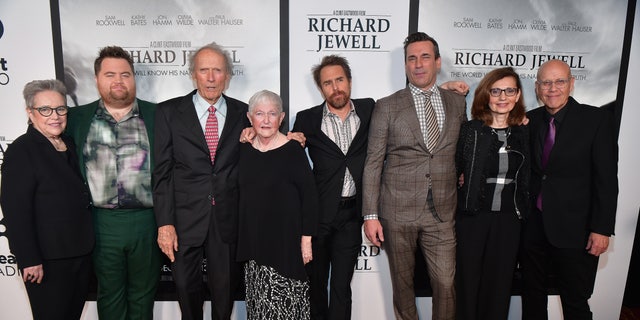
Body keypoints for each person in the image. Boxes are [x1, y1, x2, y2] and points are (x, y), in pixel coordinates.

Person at [362, 32, 467, 320]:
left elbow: (465, 149)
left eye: (424, 57)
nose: (418, 64)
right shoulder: (387, 106)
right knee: (403, 286)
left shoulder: (457, 104)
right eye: (411, 58)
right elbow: (373, 162)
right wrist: (370, 215)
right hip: (397, 211)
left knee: (446, 283)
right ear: (406, 65)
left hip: (443, 212)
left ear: (437, 62)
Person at [66, 46, 161, 320]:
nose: (118, 81)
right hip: (100, 222)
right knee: (109, 294)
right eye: (110, 74)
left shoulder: (158, 115)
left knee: (144, 294)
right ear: (97, 80)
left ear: (134, 79)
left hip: (147, 221)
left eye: (125, 74)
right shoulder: (75, 119)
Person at [153, 42, 247, 320]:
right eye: (203, 70)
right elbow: (161, 173)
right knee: (185, 292)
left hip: (227, 222)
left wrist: (293, 138)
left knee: (224, 296)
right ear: (193, 75)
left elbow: (266, 149)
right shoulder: (168, 112)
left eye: (217, 70)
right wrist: (164, 224)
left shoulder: (245, 113)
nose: (210, 77)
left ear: (227, 76)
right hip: (182, 222)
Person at [520, 59, 618, 320]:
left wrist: (601, 228)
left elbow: (606, 179)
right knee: (532, 296)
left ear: (571, 84)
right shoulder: (529, 120)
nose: (553, 88)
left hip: (576, 230)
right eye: (546, 82)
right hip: (533, 226)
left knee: (575, 301)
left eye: (560, 81)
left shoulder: (596, 120)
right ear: (537, 87)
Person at [0, 79, 93, 320]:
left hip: (79, 255)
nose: (55, 116)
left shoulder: (68, 144)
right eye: (45, 110)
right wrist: (29, 259)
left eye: (61, 109)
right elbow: (16, 211)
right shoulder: (22, 150)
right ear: (30, 112)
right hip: (46, 263)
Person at [292, 55, 374, 320]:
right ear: (321, 88)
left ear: (349, 81)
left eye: (340, 80)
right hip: (317, 217)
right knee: (315, 287)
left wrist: (447, 89)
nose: (335, 87)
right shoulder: (306, 119)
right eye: (328, 83)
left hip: (351, 216)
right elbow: (284, 155)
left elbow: (404, 106)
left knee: (341, 287)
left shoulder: (371, 109)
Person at [454, 67, 529, 320]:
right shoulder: (471, 130)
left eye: (509, 90)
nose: (502, 96)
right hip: (473, 218)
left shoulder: (524, 132)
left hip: (509, 221)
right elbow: (454, 168)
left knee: (499, 287)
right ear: (486, 95)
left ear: (517, 95)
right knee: (467, 284)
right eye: (495, 91)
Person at [237, 90, 319, 319]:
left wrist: (306, 240)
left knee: (288, 307)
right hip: (255, 246)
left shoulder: (293, 150)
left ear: (282, 118)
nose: (265, 120)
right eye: (259, 114)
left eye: (272, 114)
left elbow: (310, 197)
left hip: (287, 244)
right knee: (260, 309)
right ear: (250, 118)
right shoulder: (244, 149)